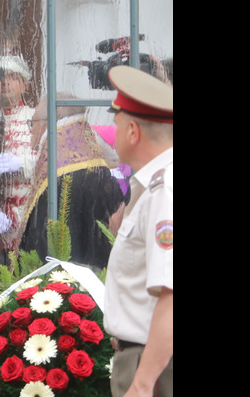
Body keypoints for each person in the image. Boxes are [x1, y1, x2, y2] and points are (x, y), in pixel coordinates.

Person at [104, 65, 173, 397]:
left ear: (133, 131)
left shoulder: (165, 191)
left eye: (116, 124)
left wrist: (143, 382)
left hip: (154, 365)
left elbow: (171, 297)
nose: (114, 133)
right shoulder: (154, 186)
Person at [19, 98, 124, 268]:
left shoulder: (57, 176)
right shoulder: (98, 169)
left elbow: (37, 240)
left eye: (33, 123)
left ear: (48, 123)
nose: (31, 130)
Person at [0, 54, 36, 255]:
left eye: (12, 77)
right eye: (0, 77)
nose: (5, 82)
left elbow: (50, 160)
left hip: (29, 221)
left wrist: (21, 163)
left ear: (25, 86)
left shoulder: (36, 118)